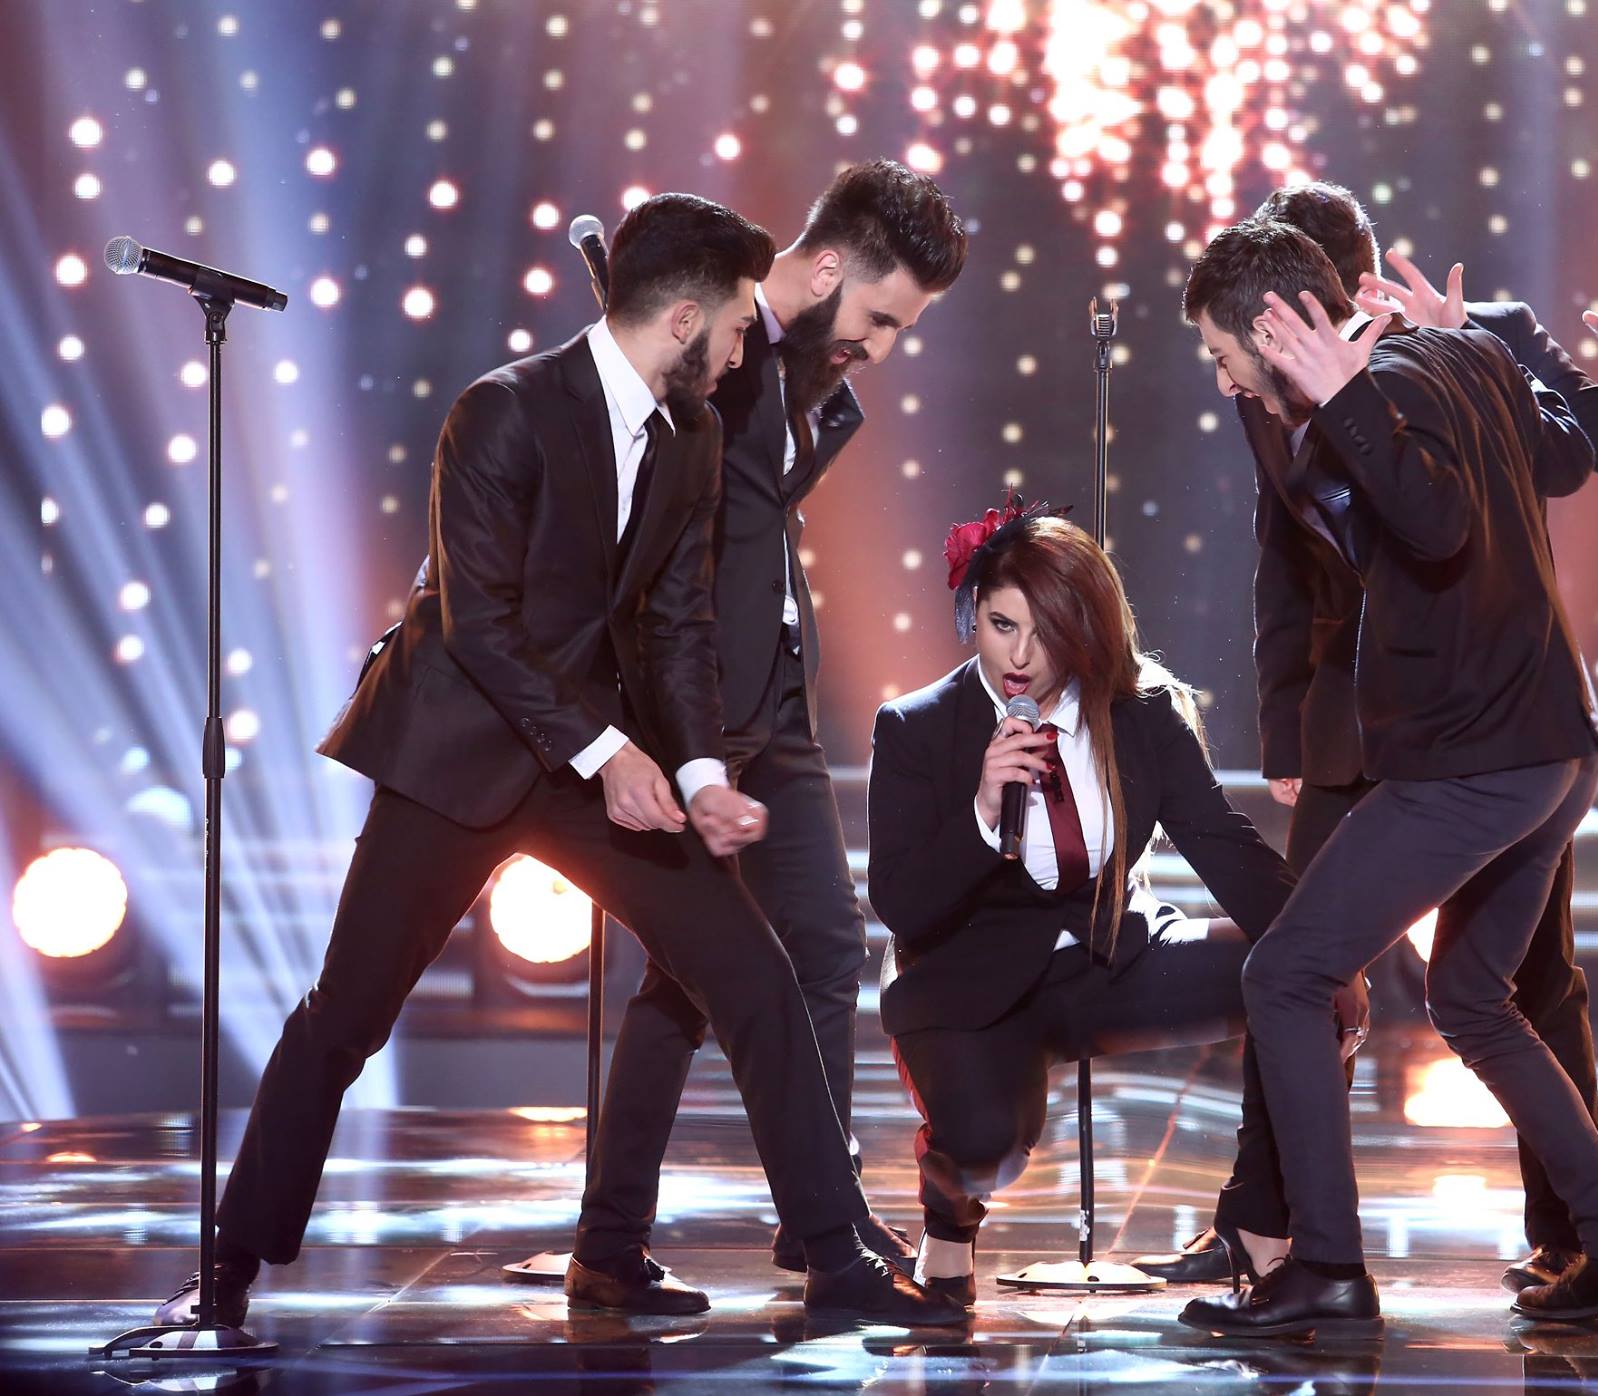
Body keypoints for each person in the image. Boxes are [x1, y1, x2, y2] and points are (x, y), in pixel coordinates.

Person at [154, 193, 962, 1330]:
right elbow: (480, 627)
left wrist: (698, 776)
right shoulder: (503, 411)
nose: (747, 353)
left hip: (594, 764)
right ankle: (230, 1263)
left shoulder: (692, 435)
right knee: (345, 1016)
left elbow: (677, 627)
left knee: (754, 972)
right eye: (739, 328)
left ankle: (835, 1259)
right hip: (461, 757)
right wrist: (609, 749)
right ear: (684, 319)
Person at [1177, 220, 1598, 1336]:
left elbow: (1437, 522)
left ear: (1276, 329)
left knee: (1286, 976)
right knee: (1469, 998)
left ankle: (1326, 1267)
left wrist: (1348, 401)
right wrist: (1467, 352)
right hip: (1552, 747)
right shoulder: (1455, 349)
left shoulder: (1366, 395)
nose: (1223, 380)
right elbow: (1557, 459)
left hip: (1475, 757)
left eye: (1223, 352)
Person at [584, 160, 969, 1279]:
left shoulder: (800, 371)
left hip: (776, 707)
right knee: (682, 980)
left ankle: (819, 1222)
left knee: (825, 949)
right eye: (880, 318)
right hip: (703, 712)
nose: (882, 347)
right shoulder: (720, 346)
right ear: (830, 265)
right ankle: (614, 1241)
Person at [865, 508, 1318, 1305]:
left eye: (1046, 632)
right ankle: (950, 1223)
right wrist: (983, 809)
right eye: (1002, 626)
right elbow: (903, 905)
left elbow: (1223, 842)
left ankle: (1258, 1218)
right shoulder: (917, 727)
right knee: (986, 1145)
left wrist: (1325, 947)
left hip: (1112, 955)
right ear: (974, 616)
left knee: (1301, 983)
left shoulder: (1140, 712)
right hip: (968, 978)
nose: (1020, 656)